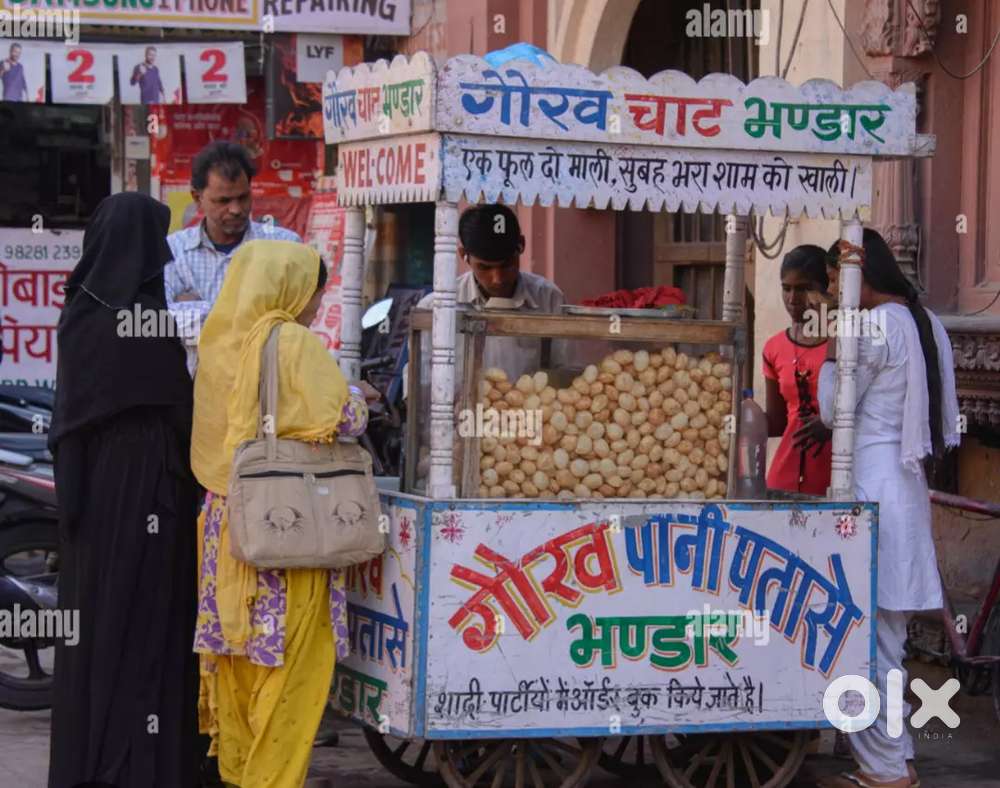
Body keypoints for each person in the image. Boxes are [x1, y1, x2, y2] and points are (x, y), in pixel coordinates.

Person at [191, 240, 370, 788]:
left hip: (229, 527)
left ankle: (242, 776)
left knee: (241, 667)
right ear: (290, 287)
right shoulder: (290, 340)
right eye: (315, 289)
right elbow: (343, 416)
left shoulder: (220, 338)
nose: (317, 301)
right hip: (285, 532)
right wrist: (360, 398)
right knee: (292, 672)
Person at [47, 193, 200, 788]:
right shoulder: (144, 320)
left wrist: (74, 517)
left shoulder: (80, 314)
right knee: (148, 627)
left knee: (97, 630)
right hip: (149, 493)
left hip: (94, 503)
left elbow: (67, 427)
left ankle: (93, 763)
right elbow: (181, 413)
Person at [815, 229, 960, 788]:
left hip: (872, 492)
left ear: (861, 275)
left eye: (834, 280)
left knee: (869, 643)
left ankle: (884, 770)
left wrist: (833, 347)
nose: (831, 292)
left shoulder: (872, 328)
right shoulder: (929, 324)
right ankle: (895, 758)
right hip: (904, 490)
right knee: (887, 640)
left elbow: (833, 410)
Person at [165, 141, 300, 376]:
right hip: (194, 395)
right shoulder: (172, 252)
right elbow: (163, 324)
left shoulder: (285, 248)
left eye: (243, 197)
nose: (236, 209)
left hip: (265, 392)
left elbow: (294, 325)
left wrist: (196, 307)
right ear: (197, 198)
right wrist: (256, 315)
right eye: (224, 201)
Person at [415, 202, 566, 381]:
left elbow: (562, 372)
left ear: (522, 245)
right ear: (463, 254)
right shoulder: (436, 307)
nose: (497, 278)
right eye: (484, 267)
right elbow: (420, 380)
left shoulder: (548, 299)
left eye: (506, 265)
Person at [762, 245, 832, 496]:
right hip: (783, 480)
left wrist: (832, 425)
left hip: (838, 479)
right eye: (786, 288)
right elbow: (777, 424)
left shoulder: (844, 342)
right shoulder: (773, 348)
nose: (793, 299)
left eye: (803, 288)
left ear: (826, 289)